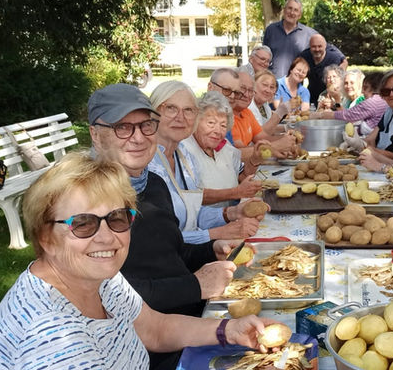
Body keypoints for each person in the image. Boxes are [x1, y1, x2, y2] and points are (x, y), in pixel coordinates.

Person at [0, 152, 277, 369]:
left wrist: (227, 331)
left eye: (117, 217)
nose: (107, 237)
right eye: (82, 223)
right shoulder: (51, 344)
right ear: (45, 237)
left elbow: (153, 329)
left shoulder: (95, 276)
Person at [87, 84, 265, 369]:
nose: (138, 137)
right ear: (96, 135)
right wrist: (195, 286)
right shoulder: (89, 204)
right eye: (123, 127)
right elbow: (107, 296)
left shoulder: (152, 183)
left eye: (146, 126)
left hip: (188, 320)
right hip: (145, 347)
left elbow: (173, 251)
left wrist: (211, 250)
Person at [146, 81, 265, 242]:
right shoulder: (144, 164)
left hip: (191, 254)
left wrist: (232, 212)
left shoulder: (183, 155)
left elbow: (195, 214)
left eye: (188, 110)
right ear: (153, 112)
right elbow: (157, 239)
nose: (180, 117)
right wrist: (216, 234)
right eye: (171, 108)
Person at [182, 91, 262, 208]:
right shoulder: (185, 150)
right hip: (201, 223)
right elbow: (192, 195)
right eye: (211, 123)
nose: (218, 131)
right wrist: (236, 192)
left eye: (223, 125)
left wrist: (255, 159)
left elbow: (243, 177)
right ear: (196, 121)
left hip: (230, 216)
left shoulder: (224, 146)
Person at [231, 71, 298, 159]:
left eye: (250, 90)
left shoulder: (246, 112)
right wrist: (275, 147)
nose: (246, 94)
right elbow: (238, 154)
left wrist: (288, 140)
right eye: (242, 89)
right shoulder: (227, 117)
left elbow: (262, 137)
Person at [311, 70, 385, 139]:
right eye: (346, 83)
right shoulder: (348, 100)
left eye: (352, 83)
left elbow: (347, 116)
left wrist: (321, 115)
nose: (348, 86)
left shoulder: (368, 101)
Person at [262, 0, 318, 78]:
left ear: (299, 15)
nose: (292, 12)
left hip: (294, 85)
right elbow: (264, 56)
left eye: (296, 10)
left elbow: (325, 47)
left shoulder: (309, 34)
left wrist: (341, 58)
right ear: (284, 10)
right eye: (290, 8)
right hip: (271, 83)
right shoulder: (271, 30)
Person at [299, 34, 348, 106]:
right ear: (309, 47)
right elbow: (298, 77)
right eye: (313, 47)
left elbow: (341, 75)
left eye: (319, 46)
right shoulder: (304, 56)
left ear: (325, 46)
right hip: (311, 94)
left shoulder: (334, 58)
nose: (317, 49)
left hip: (329, 96)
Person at [251, 70, 291, 134]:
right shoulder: (249, 105)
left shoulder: (265, 105)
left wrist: (288, 127)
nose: (268, 90)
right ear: (253, 85)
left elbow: (270, 129)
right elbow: (259, 134)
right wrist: (279, 113)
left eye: (272, 87)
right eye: (264, 85)